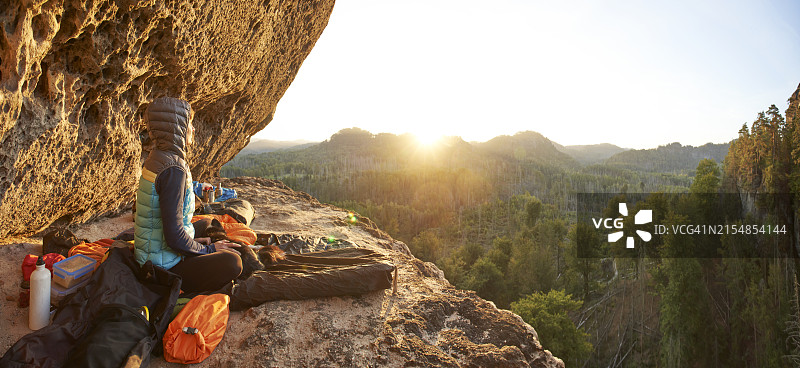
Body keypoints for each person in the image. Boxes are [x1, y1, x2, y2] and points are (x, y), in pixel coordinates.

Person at [133, 97, 242, 292]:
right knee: (233, 262)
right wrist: (208, 250)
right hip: (162, 268)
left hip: (153, 252)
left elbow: (170, 227)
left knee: (206, 223)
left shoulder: (158, 157)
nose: (193, 129)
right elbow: (174, 237)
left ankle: (192, 247)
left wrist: (192, 243)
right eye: (189, 123)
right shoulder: (173, 169)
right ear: (178, 128)